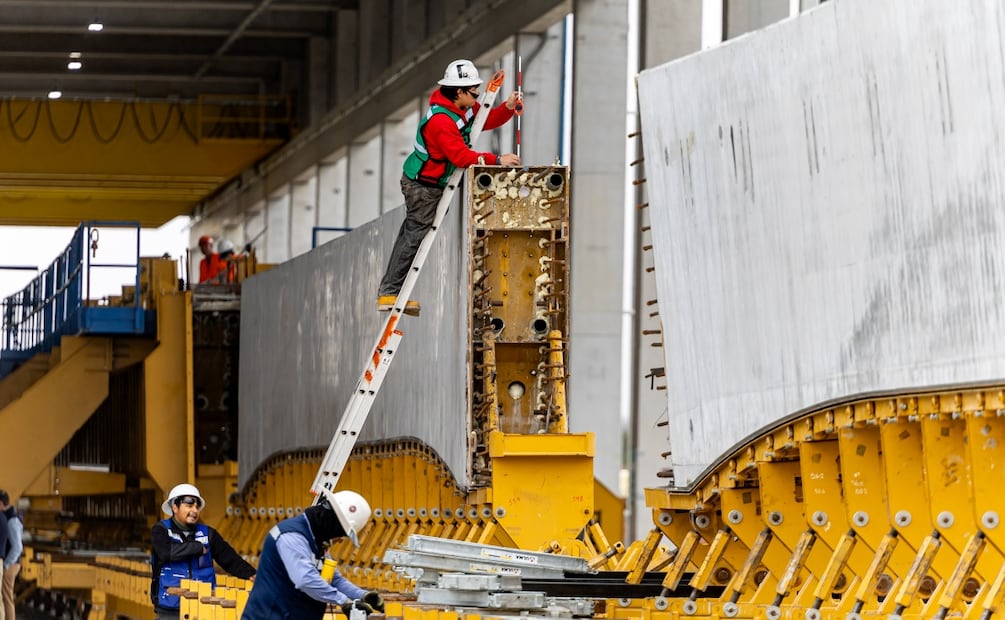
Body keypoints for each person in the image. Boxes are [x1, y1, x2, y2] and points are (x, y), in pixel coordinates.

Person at [376, 59, 522, 316]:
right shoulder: (441, 122)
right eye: (473, 90)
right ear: (459, 92)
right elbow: (461, 157)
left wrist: (508, 108)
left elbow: (483, 120)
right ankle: (389, 292)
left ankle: (391, 290)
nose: (477, 94)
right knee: (415, 234)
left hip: (433, 182)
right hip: (423, 186)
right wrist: (497, 160)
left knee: (413, 232)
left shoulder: (459, 107)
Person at [241, 491, 384, 620]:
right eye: (341, 533)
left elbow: (334, 580)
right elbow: (305, 579)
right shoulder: (292, 537)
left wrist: (362, 596)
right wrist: (343, 602)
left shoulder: (317, 542)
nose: (340, 539)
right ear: (333, 522)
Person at [151, 484, 256, 619]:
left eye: (197, 506)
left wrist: (251, 574)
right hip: (170, 610)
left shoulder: (208, 534)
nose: (194, 510)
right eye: (189, 505)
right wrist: (197, 548)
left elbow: (230, 560)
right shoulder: (161, 530)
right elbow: (166, 553)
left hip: (203, 607)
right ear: (174, 507)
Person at [0, 490, 21, 620]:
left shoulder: (11, 520)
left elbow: (17, 547)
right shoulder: (8, 517)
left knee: (7, 598)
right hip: (10, 562)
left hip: (11, 563)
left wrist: (6, 564)